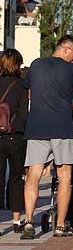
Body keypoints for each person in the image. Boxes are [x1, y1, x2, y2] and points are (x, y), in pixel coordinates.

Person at [21, 35, 73, 239]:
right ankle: (60, 226)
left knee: (33, 174)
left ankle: (28, 223)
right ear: (66, 49)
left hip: (37, 127)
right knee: (65, 177)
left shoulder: (36, 64)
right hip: (62, 128)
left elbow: (29, 93)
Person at [0, 49, 28, 233]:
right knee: (16, 179)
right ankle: (17, 220)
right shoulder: (22, 85)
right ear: (17, 64)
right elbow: (25, 113)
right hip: (16, 136)